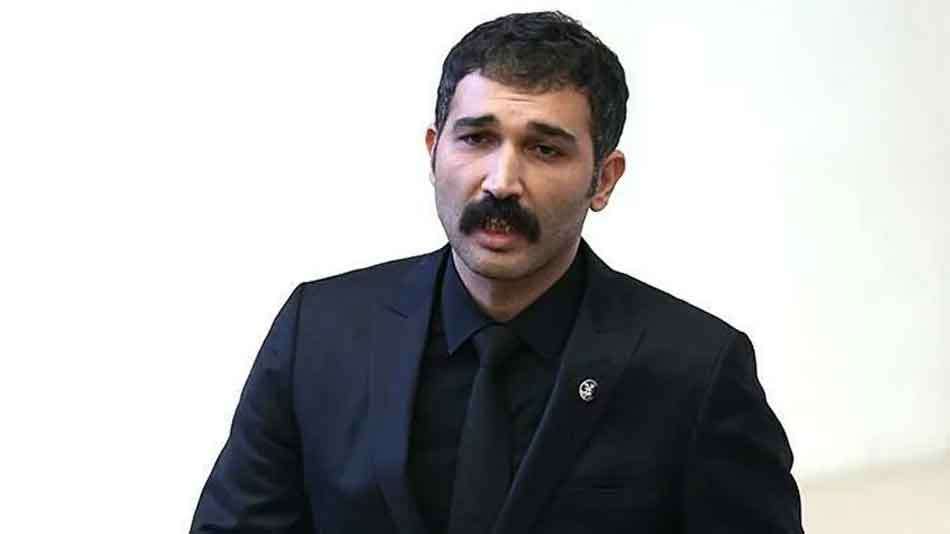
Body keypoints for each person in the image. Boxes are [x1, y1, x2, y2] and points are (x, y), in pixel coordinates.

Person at [191, 11, 803, 534]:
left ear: (604, 179)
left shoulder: (696, 369)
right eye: (477, 139)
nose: (502, 182)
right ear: (433, 152)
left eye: (545, 149)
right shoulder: (320, 332)